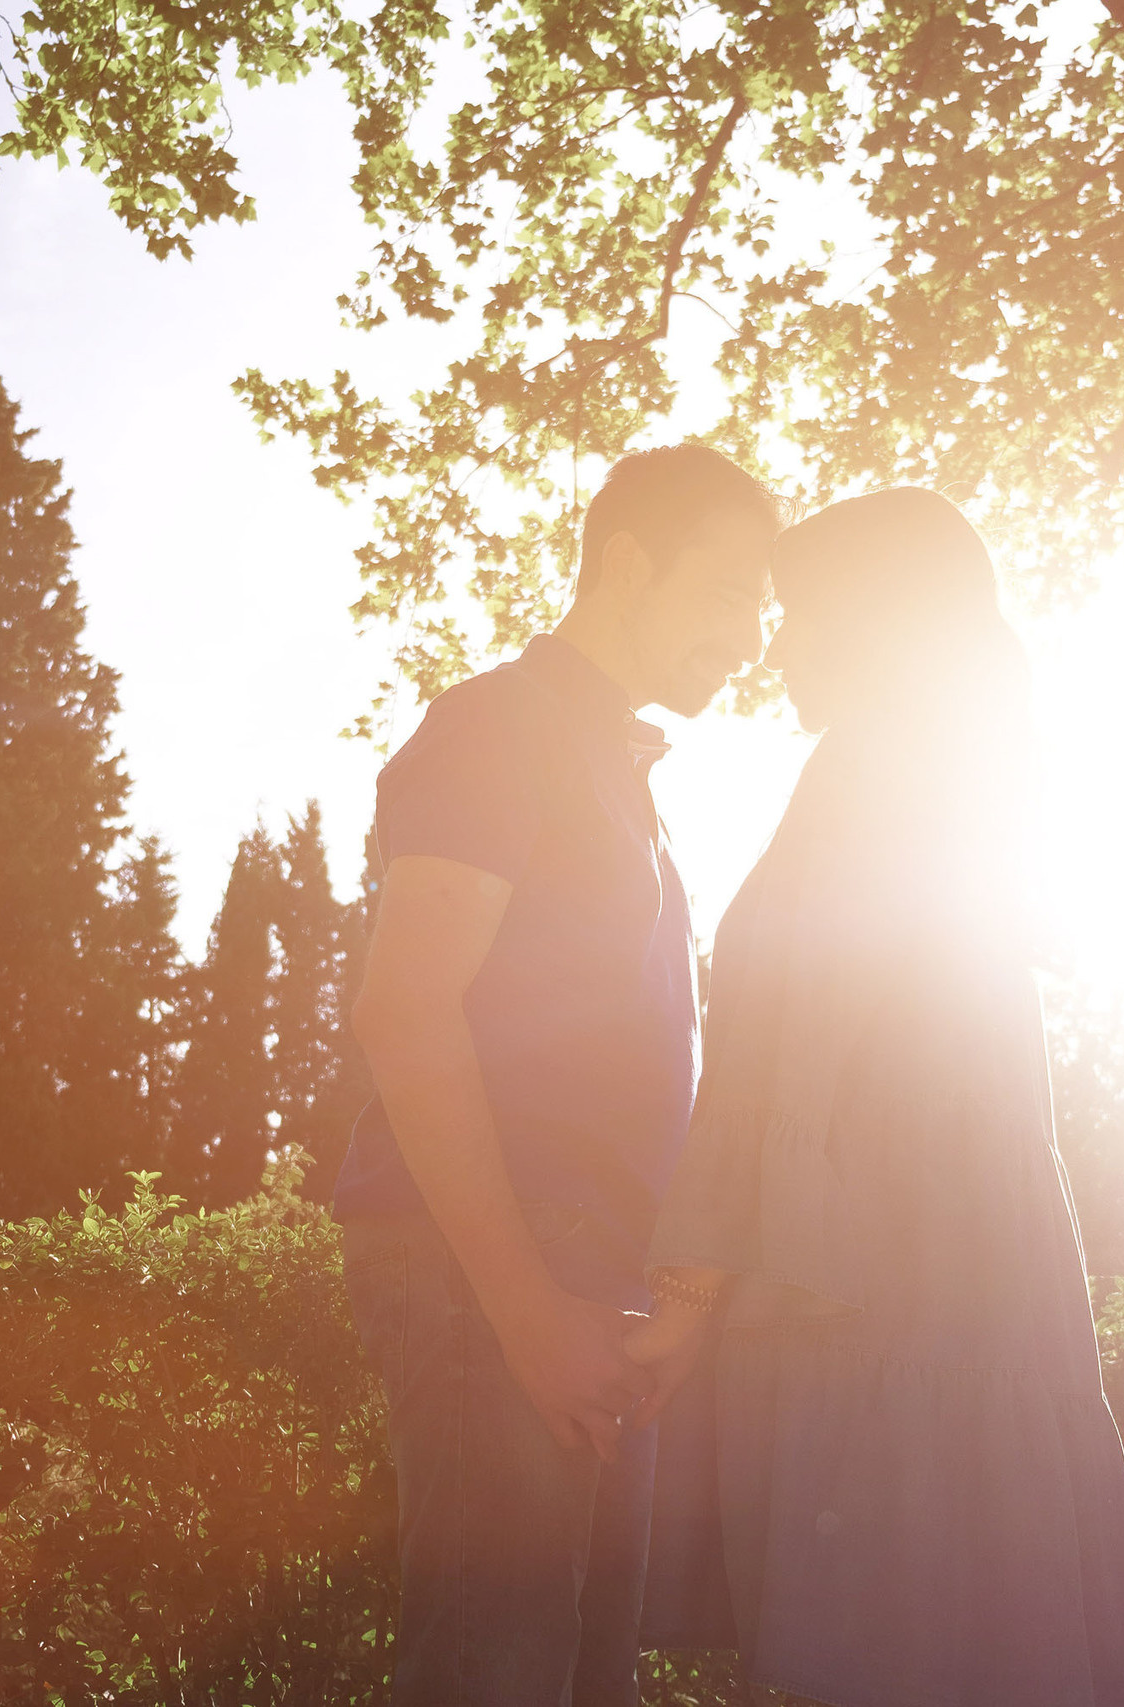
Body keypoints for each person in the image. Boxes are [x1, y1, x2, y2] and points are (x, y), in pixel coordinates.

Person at [624, 488, 1124, 1707]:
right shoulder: (956, 784)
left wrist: (683, 1297)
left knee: (884, 1634)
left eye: (800, 613)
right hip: (971, 1275)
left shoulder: (872, 771)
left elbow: (779, 1047)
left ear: (873, 623)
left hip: (872, 1281)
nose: (776, 647)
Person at [334, 444, 781, 1707]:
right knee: (493, 1679)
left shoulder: (625, 779)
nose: (751, 636)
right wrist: (526, 1311)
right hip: (497, 1279)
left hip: (592, 1296)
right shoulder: (497, 726)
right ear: (628, 561)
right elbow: (404, 1011)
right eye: (732, 589)